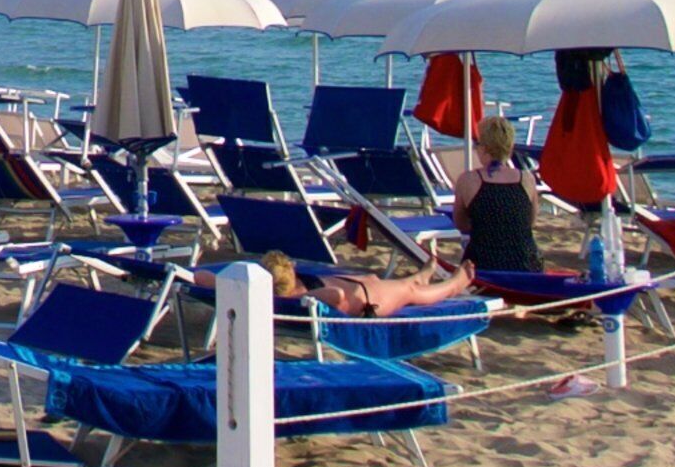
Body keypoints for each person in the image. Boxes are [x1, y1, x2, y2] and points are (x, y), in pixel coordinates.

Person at [200, 251, 477, 321]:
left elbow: (200, 276)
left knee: (385, 280)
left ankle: (419, 275)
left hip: (361, 287)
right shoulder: (305, 298)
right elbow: (336, 294)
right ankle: (454, 283)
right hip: (368, 301)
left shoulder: (255, 294)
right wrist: (305, 295)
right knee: (410, 293)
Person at [450, 114, 546, 275]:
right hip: (526, 265)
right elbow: (530, 222)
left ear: (484, 148)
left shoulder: (468, 180)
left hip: (484, 265)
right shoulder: (526, 179)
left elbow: (461, 224)